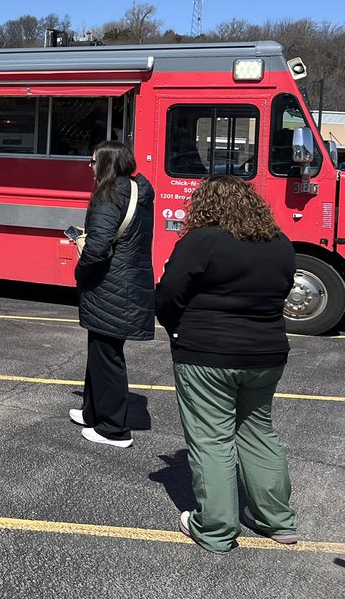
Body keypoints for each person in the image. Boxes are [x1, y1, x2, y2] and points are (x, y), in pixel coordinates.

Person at [155, 175, 298, 552]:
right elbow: (282, 291)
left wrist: (176, 328)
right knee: (258, 430)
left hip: (207, 352)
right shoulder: (280, 243)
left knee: (211, 439)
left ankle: (216, 529)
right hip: (266, 352)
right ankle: (277, 520)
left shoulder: (203, 240)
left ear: (205, 205)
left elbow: (169, 294)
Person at [72, 141, 155, 447]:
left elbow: (97, 247)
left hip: (109, 286)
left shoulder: (108, 193)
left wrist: (80, 271)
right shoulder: (137, 190)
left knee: (107, 356)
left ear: (105, 163)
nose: (90, 166)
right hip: (129, 283)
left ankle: (112, 428)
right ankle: (92, 412)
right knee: (101, 350)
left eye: (93, 161)